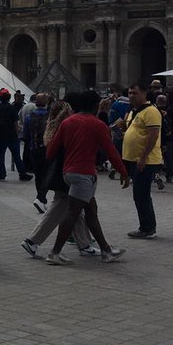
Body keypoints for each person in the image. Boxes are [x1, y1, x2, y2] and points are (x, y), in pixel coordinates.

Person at [44, 89, 128, 265]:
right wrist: (123, 172)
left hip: (68, 173)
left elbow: (51, 150)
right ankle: (55, 253)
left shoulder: (67, 122)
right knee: (73, 213)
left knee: (91, 210)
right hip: (84, 174)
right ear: (96, 106)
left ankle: (106, 249)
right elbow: (111, 152)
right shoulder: (98, 125)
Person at [21, 99, 95, 259]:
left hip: (59, 172)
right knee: (60, 208)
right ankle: (32, 241)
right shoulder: (66, 126)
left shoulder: (53, 126)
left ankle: (85, 244)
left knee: (75, 209)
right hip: (66, 173)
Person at [120, 82, 163, 239]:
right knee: (138, 194)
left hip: (146, 160)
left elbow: (153, 136)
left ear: (144, 93)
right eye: (130, 92)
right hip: (133, 158)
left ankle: (147, 228)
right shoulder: (133, 111)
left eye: (135, 93)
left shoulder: (151, 111)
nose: (131, 95)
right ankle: (146, 226)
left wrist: (143, 157)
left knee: (141, 194)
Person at [0, 90, 29, 180]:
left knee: (1, 155)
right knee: (16, 155)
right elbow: (15, 123)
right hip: (11, 135)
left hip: (1, 135)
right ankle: (22, 173)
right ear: (9, 98)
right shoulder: (11, 108)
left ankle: (2, 173)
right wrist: (17, 134)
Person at [23, 93, 50, 212]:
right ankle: (41, 198)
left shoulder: (29, 117)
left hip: (33, 148)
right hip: (47, 148)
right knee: (48, 174)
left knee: (38, 175)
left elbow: (25, 134)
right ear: (46, 103)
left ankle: (40, 198)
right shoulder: (50, 117)